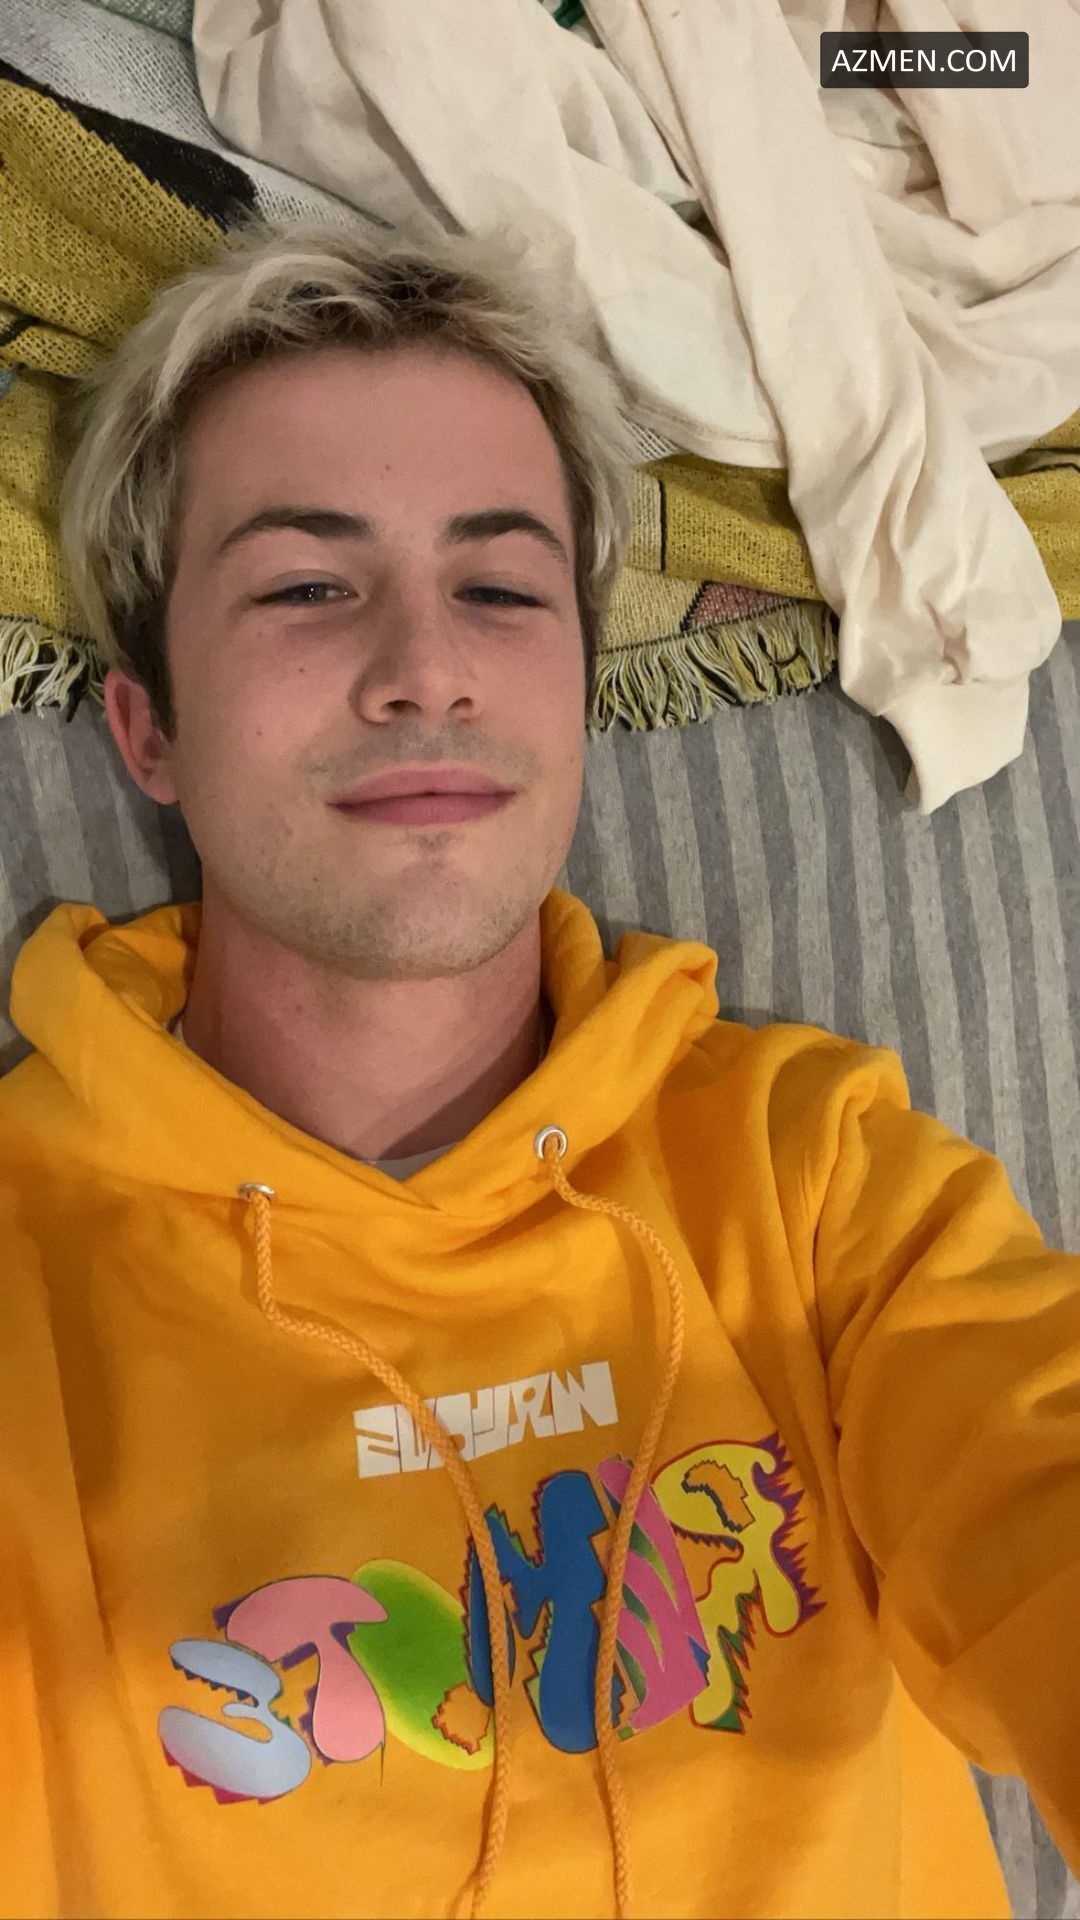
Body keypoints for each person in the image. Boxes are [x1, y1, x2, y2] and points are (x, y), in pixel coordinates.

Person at [0, 217, 1077, 1920]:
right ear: (150, 730)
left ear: (579, 695)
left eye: (500, 590)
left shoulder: (818, 1178)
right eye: (304, 587)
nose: (424, 670)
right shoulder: (23, 1287)